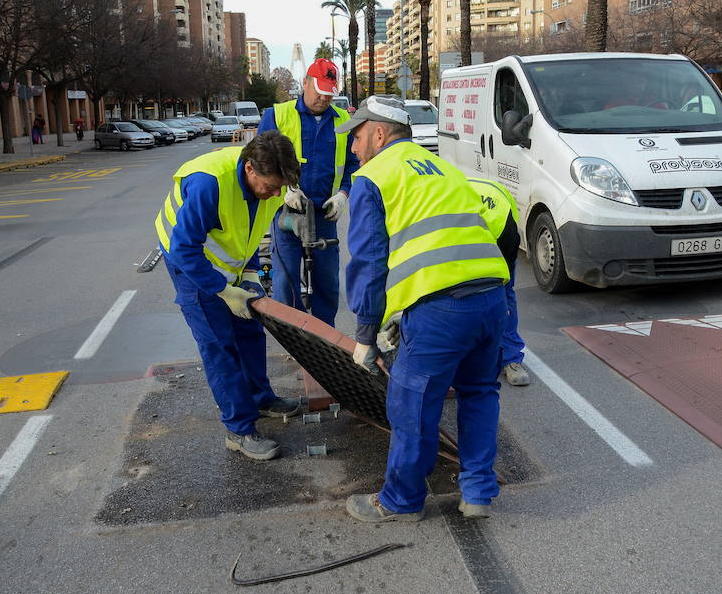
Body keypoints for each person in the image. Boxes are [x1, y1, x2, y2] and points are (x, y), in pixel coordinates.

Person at [340, 96, 510, 522]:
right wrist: (403, 308)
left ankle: (399, 501)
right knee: (479, 393)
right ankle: (477, 494)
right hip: (491, 297)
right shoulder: (443, 168)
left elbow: (369, 262)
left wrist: (366, 333)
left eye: (357, 138)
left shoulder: (373, 176)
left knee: (412, 403)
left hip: (441, 310)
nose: (354, 149)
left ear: (379, 134)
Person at [155, 132, 303, 461]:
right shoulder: (210, 184)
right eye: (271, 186)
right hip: (188, 262)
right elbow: (184, 248)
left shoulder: (267, 186)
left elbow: (246, 233)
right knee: (219, 343)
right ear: (250, 169)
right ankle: (239, 429)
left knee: (249, 327)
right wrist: (223, 290)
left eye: (280, 187)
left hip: (227, 261)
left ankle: (260, 397)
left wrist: (251, 276)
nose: (277, 194)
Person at [257, 58, 360, 327]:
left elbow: (352, 164)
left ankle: (324, 335)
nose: (323, 99)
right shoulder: (278, 115)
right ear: (305, 83)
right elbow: (260, 159)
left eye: (328, 94)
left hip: (324, 215)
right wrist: (286, 191)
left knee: (327, 281)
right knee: (286, 279)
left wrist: (344, 194)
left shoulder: (343, 121)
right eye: (318, 92)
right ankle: (292, 334)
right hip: (287, 213)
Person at [466, 177, 529, 386]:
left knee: (504, 295)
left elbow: (506, 269)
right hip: (459, 246)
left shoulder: (504, 231)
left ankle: (511, 358)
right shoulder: (443, 219)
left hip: (500, 225)